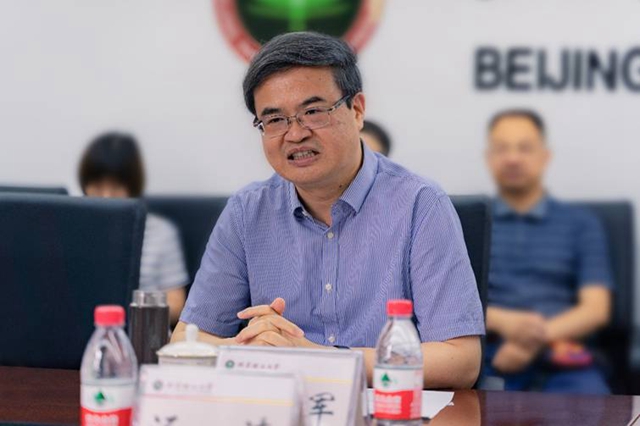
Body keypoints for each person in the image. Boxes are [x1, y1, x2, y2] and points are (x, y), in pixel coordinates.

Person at [173, 32, 484, 389]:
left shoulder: (420, 205)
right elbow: (185, 340)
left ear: (357, 110)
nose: (295, 134)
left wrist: (317, 360)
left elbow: (460, 360)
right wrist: (251, 350)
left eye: (313, 112)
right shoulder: (247, 212)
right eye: (275, 120)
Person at [483, 109, 613, 394]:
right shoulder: (469, 223)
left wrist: (530, 342)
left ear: (545, 156)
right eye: (502, 148)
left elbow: (596, 309)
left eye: (524, 148)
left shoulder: (581, 223)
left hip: (563, 356)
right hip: (490, 356)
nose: (513, 158)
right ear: (488, 158)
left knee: (592, 403)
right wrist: (503, 322)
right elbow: (453, 304)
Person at [78, 132, 189, 324]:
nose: (106, 196)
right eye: (97, 186)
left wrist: (138, 307)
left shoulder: (160, 232)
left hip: (139, 329)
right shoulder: (74, 228)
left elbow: (177, 303)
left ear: (133, 186)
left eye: (115, 186)